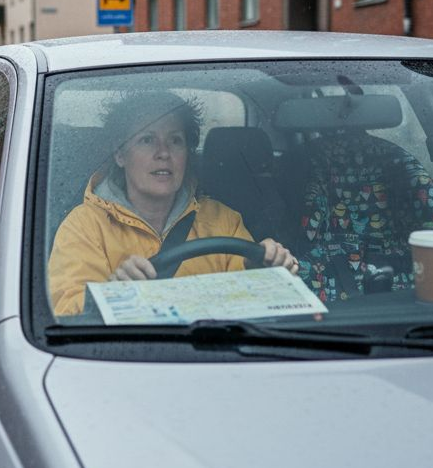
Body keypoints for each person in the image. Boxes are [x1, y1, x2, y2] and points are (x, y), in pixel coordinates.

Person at [48, 91, 298, 317]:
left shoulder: (224, 220)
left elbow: (257, 308)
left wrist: (267, 272)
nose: (163, 153)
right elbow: (65, 312)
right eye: (147, 139)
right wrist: (113, 295)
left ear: (187, 153)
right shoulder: (84, 226)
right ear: (120, 154)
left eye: (175, 140)